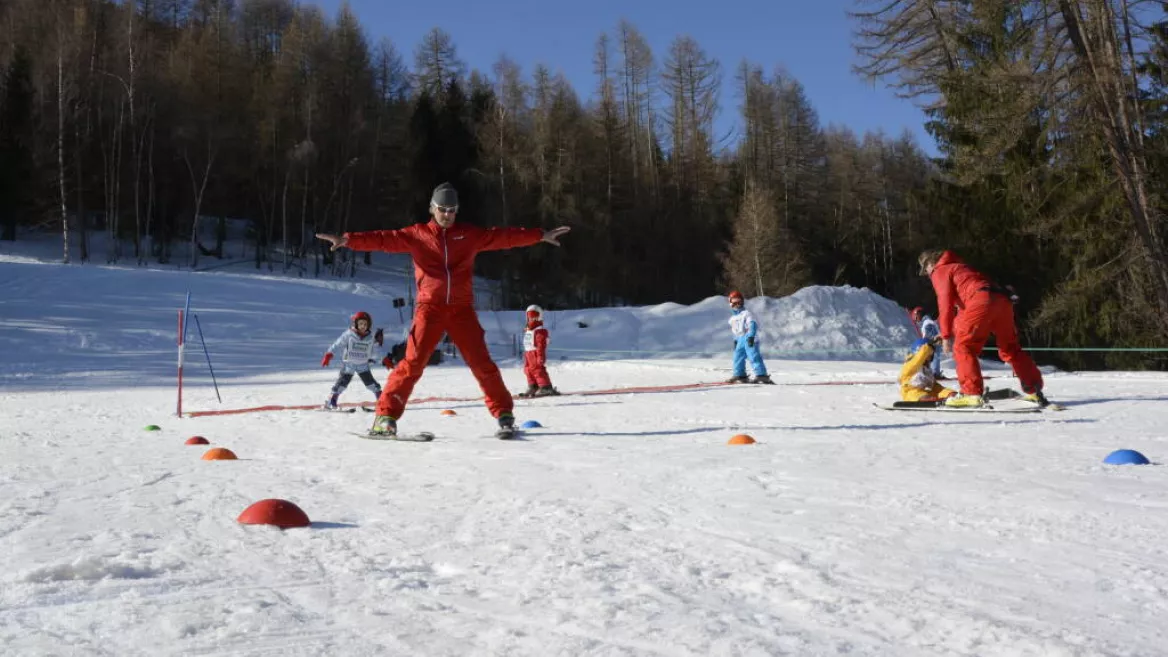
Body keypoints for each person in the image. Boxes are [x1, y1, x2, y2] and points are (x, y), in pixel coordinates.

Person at [316, 182, 571, 436]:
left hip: (462, 310)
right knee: (412, 363)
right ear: (432, 208)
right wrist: (347, 240)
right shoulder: (417, 235)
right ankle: (385, 417)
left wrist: (539, 235)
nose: (447, 215)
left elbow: (503, 237)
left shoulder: (469, 235)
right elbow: (383, 239)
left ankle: (504, 413)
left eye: (452, 210)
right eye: (442, 209)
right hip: (430, 309)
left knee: (482, 363)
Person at [918, 249, 1048, 407]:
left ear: (930, 263)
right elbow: (964, 312)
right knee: (1010, 347)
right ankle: (1034, 389)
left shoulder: (940, 270)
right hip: (1001, 300)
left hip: (981, 300)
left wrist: (946, 337)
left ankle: (971, 393)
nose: (927, 274)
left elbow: (945, 305)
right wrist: (949, 333)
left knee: (964, 347)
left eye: (926, 270)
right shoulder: (961, 267)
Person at [321, 311, 392, 410]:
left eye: (365, 324)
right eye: (360, 324)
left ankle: (381, 401)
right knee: (341, 384)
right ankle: (331, 401)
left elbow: (376, 349)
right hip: (349, 365)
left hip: (363, 365)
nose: (363, 326)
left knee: (371, 384)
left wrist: (385, 358)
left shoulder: (371, 337)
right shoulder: (349, 334)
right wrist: (329, 354)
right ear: (355, 324)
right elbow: (338, 344)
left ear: (369, 325)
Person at [726, 290, 773, 384]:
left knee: (753, 356)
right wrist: (735, 341)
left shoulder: (747, 313)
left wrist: (751, 336)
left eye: (739, 300)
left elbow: (752, 324)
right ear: (731, 303)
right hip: (739, 339)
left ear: (742, 301)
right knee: (737, 357)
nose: (737, 303)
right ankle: (740, 375)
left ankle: (761, 375)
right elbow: (735, 331)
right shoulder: (732, 319)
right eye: (734, 301)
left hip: (748, 338)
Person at [517, 304, 560, 397]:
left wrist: (540, 355)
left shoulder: (540, 330)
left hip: (535, 352)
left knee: (538, 370)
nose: (532, 319)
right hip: (528, 353)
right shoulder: (528, 330)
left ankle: (545, 387)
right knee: (528, 370)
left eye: (534, 317)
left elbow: (541, 344)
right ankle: (533, 386)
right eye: (530, 317)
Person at [899, 336, 956, 402]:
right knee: (917, 394)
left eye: (931, 355)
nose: (930, 358)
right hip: (911, 393)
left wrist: (949, 393)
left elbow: (934, 386)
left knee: (937, 391)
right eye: (928, 355)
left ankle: (953, 397)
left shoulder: (926, 370)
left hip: (926, 393)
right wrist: (928, 346)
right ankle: (929, 400)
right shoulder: (910, 365)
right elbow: (918, 358)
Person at [910, 306, 944, 379]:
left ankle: (934, 373)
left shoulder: (927, 322)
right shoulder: (927, 321)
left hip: (933, 343)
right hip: (934, 342)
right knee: (933, 357)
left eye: (916, 318)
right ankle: (933, 372)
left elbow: (930, 334)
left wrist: (930, 340)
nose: (916, 320)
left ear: (919, 315)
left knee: (932, 357)